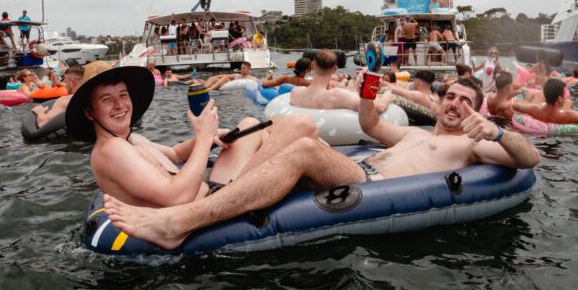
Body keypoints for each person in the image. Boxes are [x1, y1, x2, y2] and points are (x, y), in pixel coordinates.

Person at [101, 76, 541, 249]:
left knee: (306, 149)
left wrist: (498, 132)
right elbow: (372, 125)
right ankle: (213, 190)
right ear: (440, 101)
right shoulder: (415, 132)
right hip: (361, 168)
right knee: (290, 127)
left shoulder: (472, 144)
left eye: (465, 101)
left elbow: (530, 159)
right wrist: (371, 96)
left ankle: (179, 222)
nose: (454, 105)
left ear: (476, 109)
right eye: (449, 97)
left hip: (370, 184)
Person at [64, 63, 319, 208]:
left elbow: (174, 154)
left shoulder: (129, 140)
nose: (120, 106)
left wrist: (212, 135)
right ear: (89, 112)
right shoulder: (111, 150)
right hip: (213, 204)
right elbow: (176, 196)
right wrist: (204, 136)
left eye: (122, 96)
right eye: (107, 100)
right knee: (299, 125)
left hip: (215, 191)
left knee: (250, 123)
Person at [290, 49, 390, 112]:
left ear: (312, 65)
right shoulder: (339, 95)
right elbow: (378, 108)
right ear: (335, 69)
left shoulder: (295, 93)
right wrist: (387, 95)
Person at [513, 78, 578, 132]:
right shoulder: (568, 115)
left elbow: (516, 106)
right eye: (564, 94)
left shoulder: (535, 109)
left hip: (545, 113)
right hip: (564, 120)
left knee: (569, 102)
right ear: (559, 99)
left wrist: (523, 102)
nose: (565, 96)